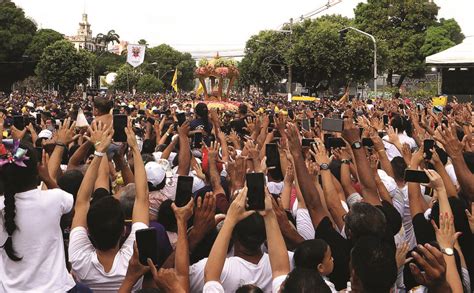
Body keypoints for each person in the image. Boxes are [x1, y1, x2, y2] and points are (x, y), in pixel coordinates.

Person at [68, 121, 150, 292]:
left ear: (88, 230)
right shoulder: (132, 261)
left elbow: (82, 202)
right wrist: (135, 148)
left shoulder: (77, 258)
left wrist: (98, 152)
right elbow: (142, 199)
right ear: (123, 231)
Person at [0, 140, 76, 292]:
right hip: (57, 288)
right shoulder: (55, 198)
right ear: (37, 170)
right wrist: (48, 178)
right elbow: (71, 211)